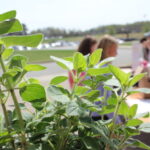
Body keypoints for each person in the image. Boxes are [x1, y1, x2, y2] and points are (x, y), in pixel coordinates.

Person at [91, 35, 120, 122]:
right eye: (115, 49)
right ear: (109, 50)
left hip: (92, 113)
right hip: (102, 116)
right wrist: (117, 121)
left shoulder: (96, 67)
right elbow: (107, 100)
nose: (116, 53)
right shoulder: (106, 70)